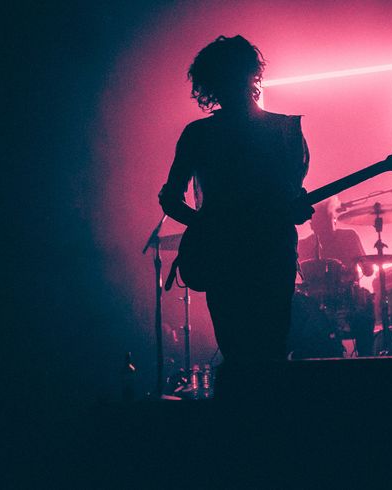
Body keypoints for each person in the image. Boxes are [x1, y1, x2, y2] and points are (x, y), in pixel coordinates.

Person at [159, 35, 312, 366]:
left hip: (246, 257)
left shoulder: (201, 134)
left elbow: (170, 199)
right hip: (258, 256)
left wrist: (209, 228)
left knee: (250, 352)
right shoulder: (283, 131)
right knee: (261, 352)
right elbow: (170, 198)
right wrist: (210, 227)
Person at [296, 198, 375, 356]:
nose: (322, 230)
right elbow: (299, 280)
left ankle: (366, 359)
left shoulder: (349, 237)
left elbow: (368, 271)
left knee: (366, 308)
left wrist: (354, 270)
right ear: (312, 225)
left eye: (325, 224)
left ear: (334, 219)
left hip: (347, 301)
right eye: (318, 225)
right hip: (315, 305)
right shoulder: (304, 244)